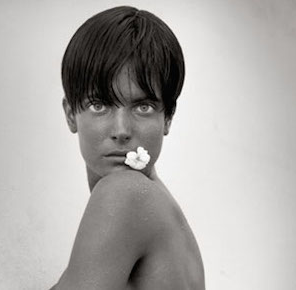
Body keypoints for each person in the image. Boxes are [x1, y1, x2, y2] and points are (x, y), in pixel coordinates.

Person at [52, 6, 204, 290]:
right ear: (71, 114)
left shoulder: (126, 194)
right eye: (99, 105)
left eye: (143, 107)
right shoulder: (159, 207)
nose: (121, 130)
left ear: (167, 117)